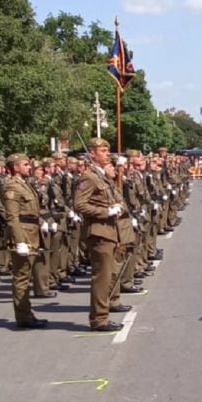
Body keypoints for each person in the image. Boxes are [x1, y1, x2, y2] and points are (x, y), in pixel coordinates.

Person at [74, 138, 126, 333]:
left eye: (107, 150)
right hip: (98, 232)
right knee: (101, 278)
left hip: (109, 231)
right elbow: (79, 204)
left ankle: (102, 315)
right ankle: (99, 319)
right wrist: (106, 212)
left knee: (108, 275)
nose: (107, 154)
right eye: (102, 151)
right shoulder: (89, 177)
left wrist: (116, 207)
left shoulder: (102, 177)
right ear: (92, 154)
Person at [2, 153, 48, 328]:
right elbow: (12, 217)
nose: (30, 167)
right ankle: (23, 317)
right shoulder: (12, 187)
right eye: (26, 164)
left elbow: (31, 210)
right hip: (24, 236)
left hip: (32, 233)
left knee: (26, 276)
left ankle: (27, 313)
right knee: (21, 277)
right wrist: (19, 241)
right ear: (15, 167)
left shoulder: (25, 184)